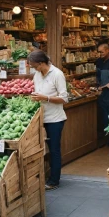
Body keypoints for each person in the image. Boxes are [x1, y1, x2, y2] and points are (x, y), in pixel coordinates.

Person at [28, 50, 68, 191]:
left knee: (54, 150)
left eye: (34, 66)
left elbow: (64, 98)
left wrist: (46, 98)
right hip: (40, 118)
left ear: (42, 63)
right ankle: (43, 176)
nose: (34, 69)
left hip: (55, 119)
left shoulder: (57, 74)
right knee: (41, 149)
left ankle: (54, 180)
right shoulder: (37, 75)